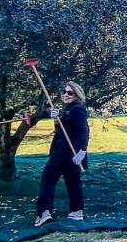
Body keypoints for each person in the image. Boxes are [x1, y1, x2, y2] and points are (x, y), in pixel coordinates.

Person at [34, 81, 90, 227]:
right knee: (72, 180)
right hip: (71, 153)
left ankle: (44, 212)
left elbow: (84, 130)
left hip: (65, 151)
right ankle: (77, 211)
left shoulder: (77, 109)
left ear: (77, 95)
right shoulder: (69, 109)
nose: (65, 94)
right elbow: (64, 128)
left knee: (48, 178)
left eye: (70, 93)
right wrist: (56, 119)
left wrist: (82, 151)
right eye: (64, 92)